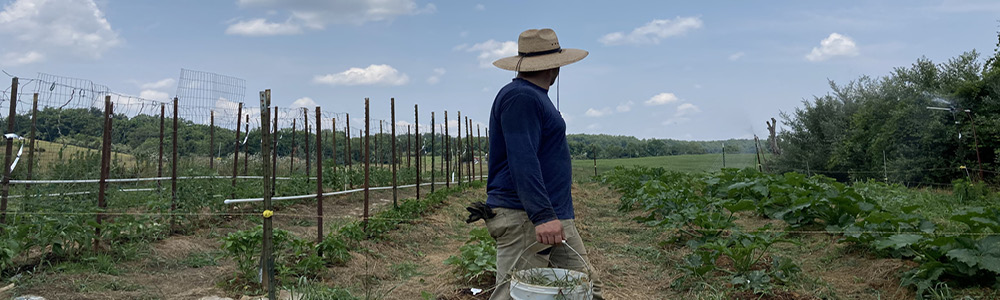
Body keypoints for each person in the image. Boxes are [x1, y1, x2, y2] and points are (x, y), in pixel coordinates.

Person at [484, 28, 603, 300]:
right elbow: (522, 159)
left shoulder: (535, 96)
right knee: (514, 293)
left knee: (586, 286)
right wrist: (542, 216)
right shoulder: (521, 97)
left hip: (551, 214)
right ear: (555, 65)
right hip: (526, 215)